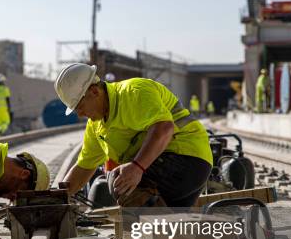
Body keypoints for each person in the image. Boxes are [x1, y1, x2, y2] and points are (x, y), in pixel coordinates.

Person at [54, 63, 212, 207]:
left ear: (95, 91)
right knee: (169, 224)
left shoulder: (133, 92)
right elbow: (84, 167)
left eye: (80, 106)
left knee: (118, 180)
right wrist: (57, 196)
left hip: (187, 159)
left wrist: (137, 167)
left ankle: (155, 228)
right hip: (168, 168)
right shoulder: (96, 126)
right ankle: (166, 231)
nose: (80, 114)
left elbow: (164, 127)